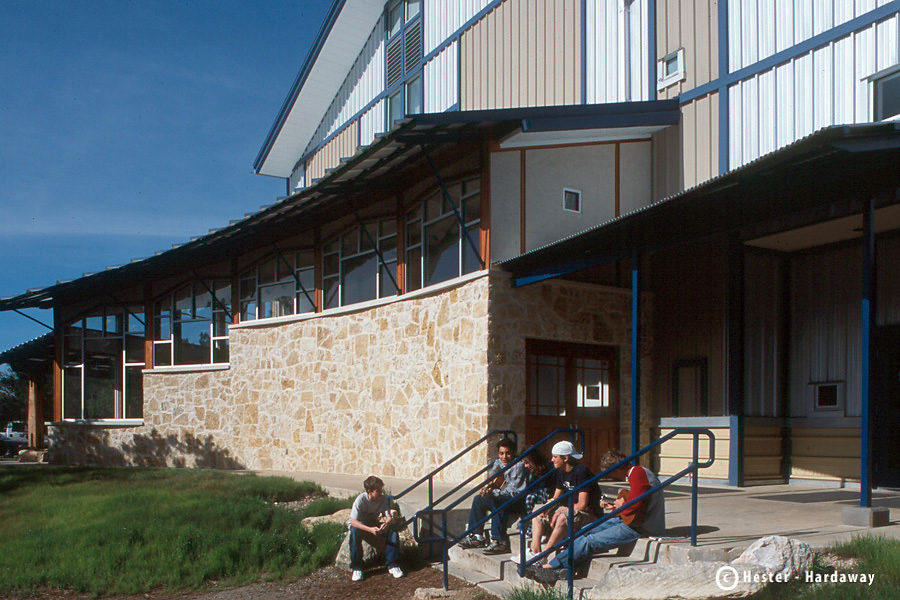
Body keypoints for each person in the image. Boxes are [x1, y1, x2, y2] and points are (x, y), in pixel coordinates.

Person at [529, 449, 665, 583]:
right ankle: (566, 567)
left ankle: (552, 566)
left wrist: (621, 506)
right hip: (630, 521)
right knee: (584, 531)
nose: (612, 476)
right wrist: (616, 507)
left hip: (641, 526)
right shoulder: (636, 474)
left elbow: (636, 506)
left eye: (611, 472)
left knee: (590, 541)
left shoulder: (638, 473)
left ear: (617, 468)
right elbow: (635, 503)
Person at [526, 440, 600, 564]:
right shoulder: (561, 472)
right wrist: (547, 508)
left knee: (561, 517)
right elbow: (556, 498)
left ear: (565, 458)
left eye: (555, 457)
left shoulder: (581, 472)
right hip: (570, 509)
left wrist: (561, 511)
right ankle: (534, 551)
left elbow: (582, 505)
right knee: (537, 510)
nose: (552, 460)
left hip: (588, 513)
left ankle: (544, 555)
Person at [458, 438, 531, 554]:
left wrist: (493, 493)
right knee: (479, 499)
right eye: (501, 453)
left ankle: (499, 541)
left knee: (499, 500)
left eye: (508, 453)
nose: (504, 457)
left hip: (517, 500)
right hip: (504, 496)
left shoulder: (518, 466)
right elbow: (495, 469)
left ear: (513, 453)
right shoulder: (500, 462)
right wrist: (489, 483)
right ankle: (477, 536)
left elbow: (513, 491)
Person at [348, 475, 403, 582]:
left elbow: (388, 517)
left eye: (381, 489)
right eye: (378, 490)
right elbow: (353, 521)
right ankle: (357, 567)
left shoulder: (383, 499)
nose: (381, 492)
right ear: (370, 491)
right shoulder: (360, 499)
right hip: (362, 525)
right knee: (354, 531)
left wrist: (386, 523)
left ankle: (392, 564)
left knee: (392, 530)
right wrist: (370, 530)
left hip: (374, 523)